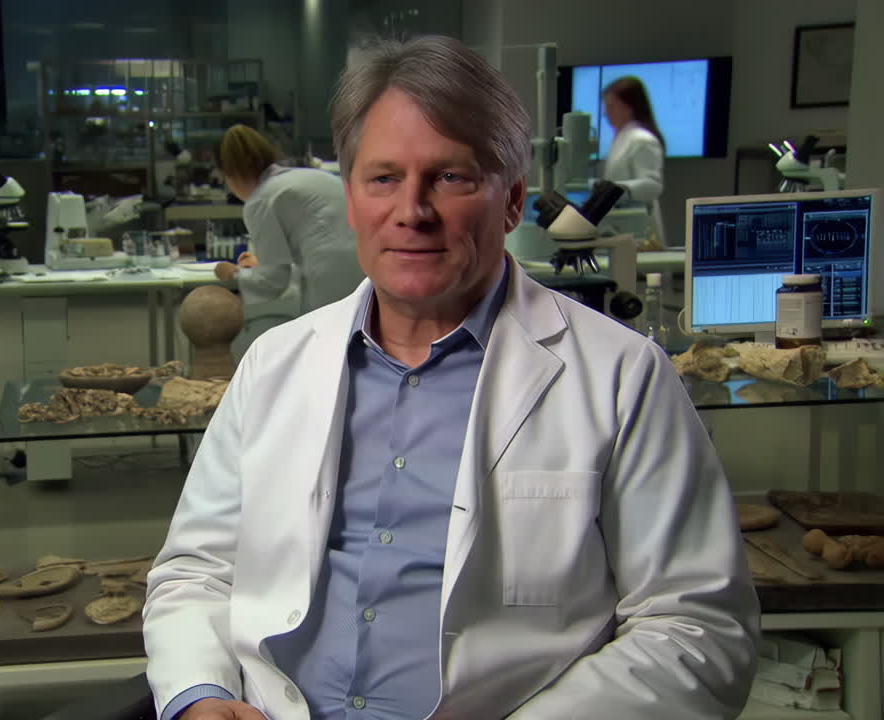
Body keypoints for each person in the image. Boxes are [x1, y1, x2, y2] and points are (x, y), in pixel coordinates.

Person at [144, 35, 758, 720]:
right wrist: (200, 695)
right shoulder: (276, 364)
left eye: (450, 177)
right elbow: (196, 570)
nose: (412, 210)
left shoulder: (620, 377)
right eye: (383, 179)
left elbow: (699, 629)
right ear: (351, 201)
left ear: (513, 201)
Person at [213, 125, 363, 319]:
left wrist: (234, 275)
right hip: (369, 268)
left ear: (232, 176)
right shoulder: (303, 177)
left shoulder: (260, 199)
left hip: (330, 281)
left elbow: (274, 281)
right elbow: (321, 241)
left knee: (328, 340)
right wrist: (262, 264)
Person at [601, 76, 667, 248]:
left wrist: (615, 190)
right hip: (624, 226)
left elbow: (653, 185)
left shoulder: (642, 140)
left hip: (641, 230)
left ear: (629, 107)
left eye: (610, 107)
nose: (605, 113)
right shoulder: (621, 137)